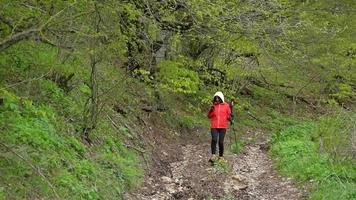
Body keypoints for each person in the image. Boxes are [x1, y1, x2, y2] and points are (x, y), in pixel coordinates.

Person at [207, 91, 231, 162]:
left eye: (218, 98)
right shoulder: (213, 106)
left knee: (221, 142)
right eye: (216, 98)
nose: (217, 99)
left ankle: (221, 157)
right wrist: (211, 110)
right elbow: (209, 116)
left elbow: (229, 115)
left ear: (221, 98)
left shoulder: (226, 106)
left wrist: (231, 118)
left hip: (223, 126)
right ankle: (213, 155)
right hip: (214, 126)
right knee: (214, 139)